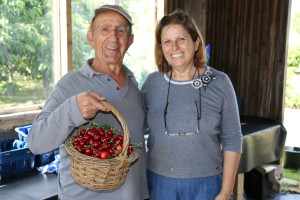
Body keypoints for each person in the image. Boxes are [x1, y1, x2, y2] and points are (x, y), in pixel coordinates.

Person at [28, 4, 148, 200]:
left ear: (130, 40)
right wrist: (72, 109)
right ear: (91, 37)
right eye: (105, 29)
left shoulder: (134, 84)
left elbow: (137, 144)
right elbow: (36, 142)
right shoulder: (71, 83)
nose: (114, 37)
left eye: (121, 30)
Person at [141, 9, 242, 200]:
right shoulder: (152, 84)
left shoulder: (219, 81)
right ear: (161, 48)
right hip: (159, 183)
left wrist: (225, 192)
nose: (174, 47)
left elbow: (233, 139)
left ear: (196, 43)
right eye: (167, 41)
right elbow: (135, 128)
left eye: (181, 39)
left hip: (207, 185)